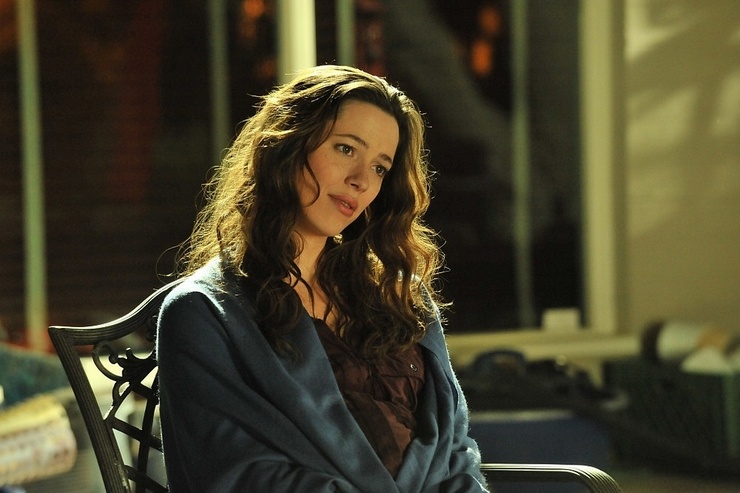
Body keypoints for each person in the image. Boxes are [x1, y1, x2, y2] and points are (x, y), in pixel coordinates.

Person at [156, 65, 489, 492]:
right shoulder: (204, 312)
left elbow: (456, 451)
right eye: (346, 149)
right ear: (288, 144)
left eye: (380, 168)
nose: (361, 180)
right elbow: (235, 472)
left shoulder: (400, 297)